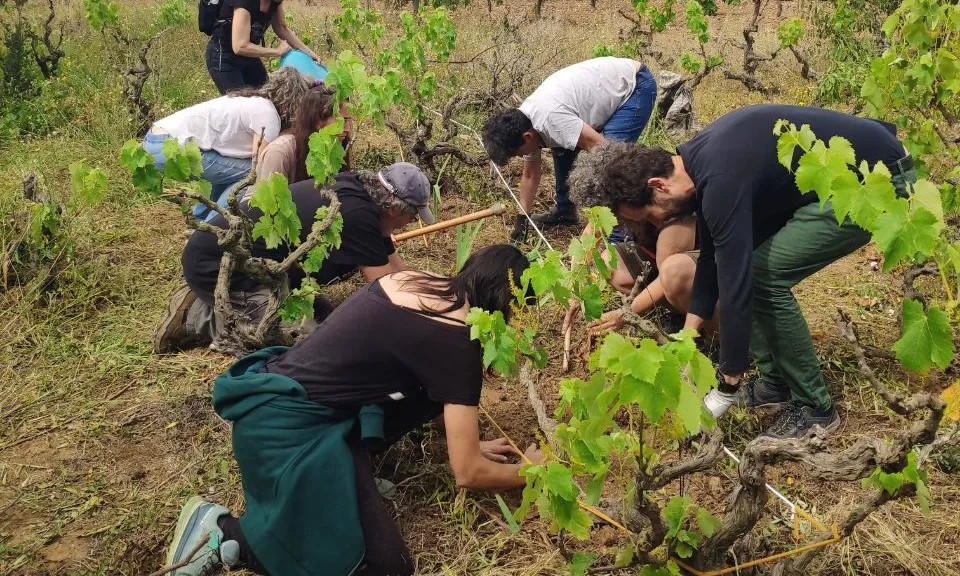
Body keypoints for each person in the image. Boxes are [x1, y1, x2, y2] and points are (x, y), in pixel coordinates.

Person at [160, 245, 546, 576]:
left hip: (274, 399)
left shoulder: (416, 282)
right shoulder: (459, 345)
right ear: (505, 302)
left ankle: (348, 472)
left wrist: (470, 442)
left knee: (427, 393)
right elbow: (468, 473)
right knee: (384, 565)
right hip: (287, 435)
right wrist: (527, 472)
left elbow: (437, 390)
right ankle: (225, 532)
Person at [568, 104, 916, 439]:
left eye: (650, 215)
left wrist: (728, 380)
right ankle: (774, 383)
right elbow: (711, 260)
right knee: (750, 268)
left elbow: (736, 283)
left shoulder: (719, 179)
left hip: (876, 182)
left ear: (658, 185)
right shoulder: (696, 164)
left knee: (764, 277)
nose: (658, 222)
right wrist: (688, 336)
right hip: (836, 178)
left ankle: (816, 410)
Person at [154, 162, 436, 354]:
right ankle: (195, 315)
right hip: (216, 264)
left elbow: (396, 269)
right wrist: (426, 320)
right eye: (412, 216)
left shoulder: (362, 194)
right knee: (304, 341)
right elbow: (383, 288)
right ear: (394, 209)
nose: (411, 223)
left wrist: (435, 291)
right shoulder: (358, 216)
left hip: (262, 268)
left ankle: (219, 301)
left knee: (324, 312)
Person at [481, 56, 658, 242]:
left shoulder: (552, 119)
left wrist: (598, 218)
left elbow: (604, 153)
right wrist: (522, 219)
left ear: (527, 137)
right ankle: (565, 212)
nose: (523, 156)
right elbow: (530, 175)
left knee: (614, 163)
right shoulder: (524, 124)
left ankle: (619, 232)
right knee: (563, 146)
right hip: (600, 90)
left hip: (633, 86)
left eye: (519, 153)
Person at [142, 67, 310, 221]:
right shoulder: (268, 115)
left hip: (154, 139)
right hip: (167, 147)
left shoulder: (253, 101)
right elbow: (259, 165)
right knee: (248, 175)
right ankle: (215, 226)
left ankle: (201, 219)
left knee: (230, 171)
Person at [238, 82, 353, 203]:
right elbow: (265, 207)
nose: (348, 128)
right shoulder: (280, 153)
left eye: (349, 121)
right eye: (341, 121)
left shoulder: (336, 148)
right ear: (317, 121)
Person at [206, 0, 319, 95]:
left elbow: (281, 28)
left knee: (266, 98)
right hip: (224, 58)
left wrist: (309, 52)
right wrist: (277, 52)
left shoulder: (275, 2)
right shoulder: (245, 2)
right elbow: (240, 46)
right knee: (241, 106)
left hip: (249, 56)